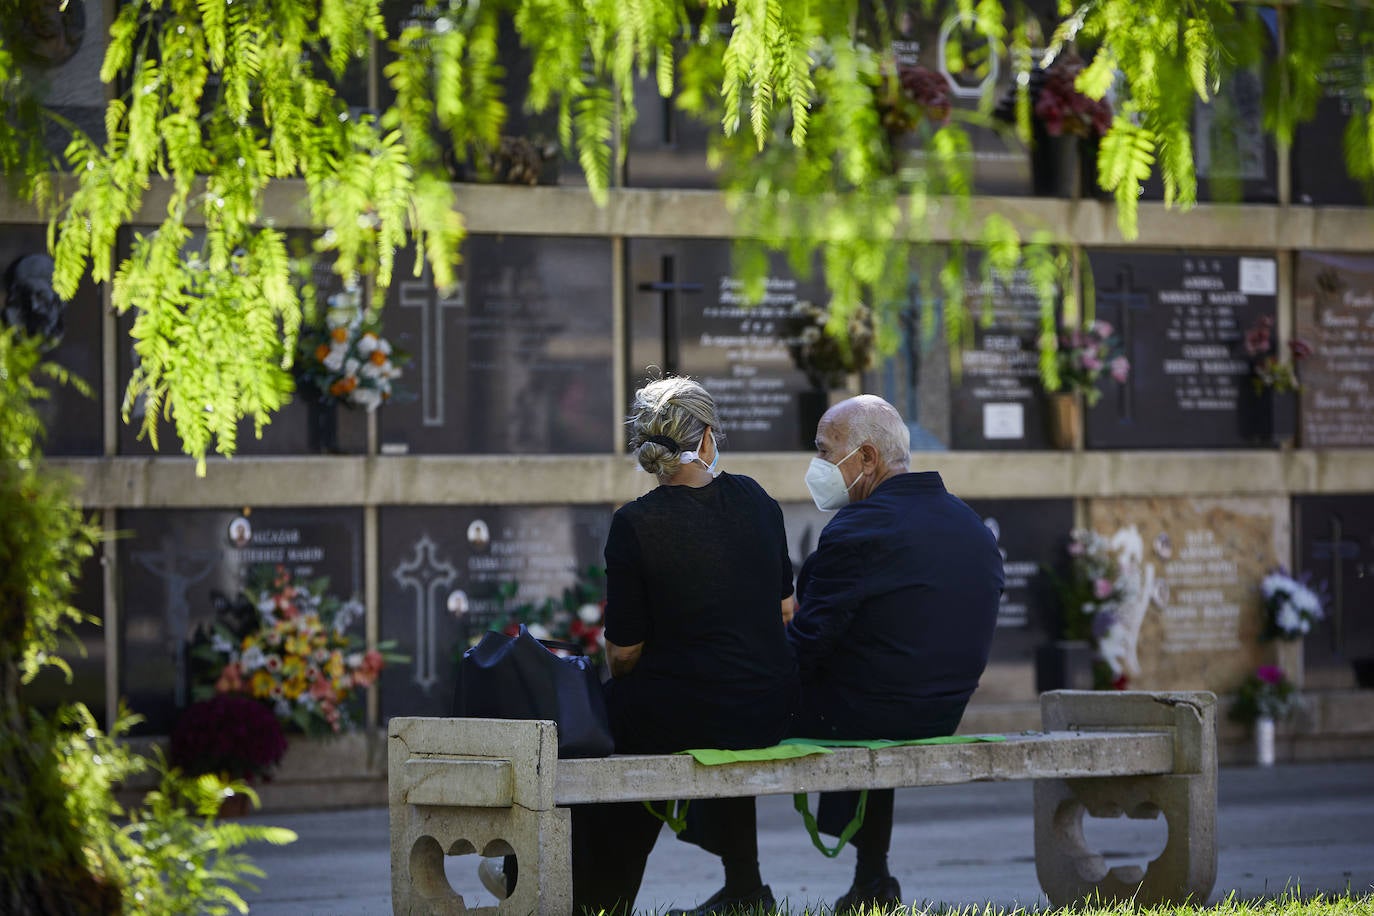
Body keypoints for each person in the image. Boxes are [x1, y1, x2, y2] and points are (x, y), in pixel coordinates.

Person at [571, 376, 799, 915]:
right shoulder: (756, 500)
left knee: (601, 730)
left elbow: (623, 653)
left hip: (686, 708)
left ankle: (598, 899)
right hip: (771, 705)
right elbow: (785, 610)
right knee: (710, 700)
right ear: (707, 438)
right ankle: (744, 885)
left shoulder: (636, 523)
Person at [789, 394, 1005, 912]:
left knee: (720, 702)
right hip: (941, 711)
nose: (818, 466)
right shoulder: (969, 524)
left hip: (872, 711)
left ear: (867, 459)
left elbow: (804, 648)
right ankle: (872, 877)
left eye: (825, 452)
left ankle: (741, 879)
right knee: (870, 677)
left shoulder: (860, 528)